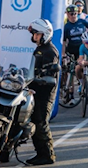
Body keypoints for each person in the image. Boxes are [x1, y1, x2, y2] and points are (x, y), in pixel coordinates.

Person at [25, 19, 59, 166]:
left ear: (44, 34)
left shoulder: (50, 51)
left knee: (41, 123)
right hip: (36, 91)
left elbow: (51, 74)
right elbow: (34, 70)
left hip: (45, 93)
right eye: (34, 34)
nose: (34, 36)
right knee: (34, 122)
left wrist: (41, 79)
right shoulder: (39, 49)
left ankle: (48, 155)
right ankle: (40, 153)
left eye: (37, 34)